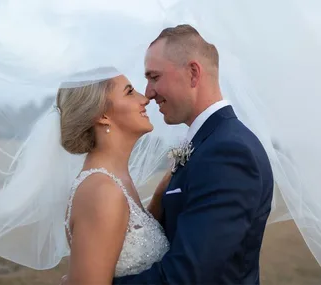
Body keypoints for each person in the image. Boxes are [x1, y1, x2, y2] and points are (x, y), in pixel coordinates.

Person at [111, 24, 274, 285]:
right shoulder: (210, 143)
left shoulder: (228, 152)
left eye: (154, 77)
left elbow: (187, 276)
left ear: (193, 73)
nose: (149, 93)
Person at [57, 74, 173, 284]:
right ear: (102, 115)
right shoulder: (102, 191)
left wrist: (158, 199)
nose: (144, 99)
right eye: (129, 92)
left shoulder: (115, 181)